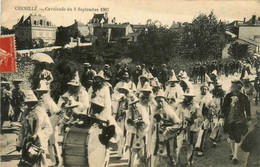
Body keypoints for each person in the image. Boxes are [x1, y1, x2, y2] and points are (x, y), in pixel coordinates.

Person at [17, 90, 53, 167]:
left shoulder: (41, 112)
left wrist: (38, 135)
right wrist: (19, 144)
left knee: (38, 162)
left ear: (35, 102)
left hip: (38, 143)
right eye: (28, 103)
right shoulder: (25, 113)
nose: (30, 105)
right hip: (27, 142)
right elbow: (22, 129)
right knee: (26, 163)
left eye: (31, 102)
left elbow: (49, 128)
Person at [148, 90, 181, 167]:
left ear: (165, 101)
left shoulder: (169, 111)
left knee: (168, 158)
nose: (160, 103)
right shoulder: (154, 112)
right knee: (155, 157)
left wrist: (169, 129)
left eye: (161, 101)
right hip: (156, 138)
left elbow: (178, 124)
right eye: (158, 101)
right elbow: (152, 127)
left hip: (167, 138)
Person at [222, 79, 251, 164]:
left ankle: (236, 156)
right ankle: (232, 152)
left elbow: (247, 109)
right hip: (230, 119)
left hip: (240, 120)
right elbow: (224, 107)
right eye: (233, 86)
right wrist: (230, 106)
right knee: (231, 136)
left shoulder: (244, 97)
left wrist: (248, 119)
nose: (234, 88)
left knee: (238, 136)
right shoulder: (228, 96)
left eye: (237, 87)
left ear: (239, 88)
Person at [36, 80, 62, 166]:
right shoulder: (38, 102)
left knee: (53, 143)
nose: (41, 95)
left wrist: (53, 124)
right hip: (43, 127)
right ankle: (51, 161)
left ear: (46, 93)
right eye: (39, 92)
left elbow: (57, 113)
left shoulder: (49, 102)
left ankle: (57, 162)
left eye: (42, 92)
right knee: (45, 144)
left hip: (52, 125)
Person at [176, 89, 202, 166]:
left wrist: (193, 120)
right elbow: (176, 117)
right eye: (187, 97)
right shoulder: (180, 106)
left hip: (192, 130)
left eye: (190, 97)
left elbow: (201, 118)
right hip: (182, 129)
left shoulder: (196, 107)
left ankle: (189, 162)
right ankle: (180, 163)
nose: (188, 99)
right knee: (180, 146)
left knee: (190, 147)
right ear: (185, 97)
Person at [125, 93, 150, 167]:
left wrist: (140, 125)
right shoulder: (129, 112)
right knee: (133, 154)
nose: (134, 105)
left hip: (142, 133)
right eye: (132, 104)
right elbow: (127, 124)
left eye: (135, 103)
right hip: (133, 133)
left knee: (142, 154)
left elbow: (146, 122)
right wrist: (133, 125)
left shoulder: (142, 109)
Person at [194, 83, 213, 156]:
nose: (204, 90)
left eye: (206, 89)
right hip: (198, 117)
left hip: (206, 116)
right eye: (203, 89)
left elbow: (212, 107)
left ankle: (200, 149)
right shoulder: (197, 97)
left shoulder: (210, 97)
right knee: (198, 132)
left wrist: (209, 114)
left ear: (208, 90)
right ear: (200, 89)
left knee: (203, 132)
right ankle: (196, 145)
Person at [209, 81, 226, 147]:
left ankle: (214, 137)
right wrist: (215, 111)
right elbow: (212, 105)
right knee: (216, 125)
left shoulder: (223, 97)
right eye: (217, 88)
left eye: (220, 87)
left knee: (220, 124)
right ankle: (214, 139)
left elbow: (225, 105)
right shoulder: (213, 97)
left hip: (222, 113)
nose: (219, 89)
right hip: (215, 113)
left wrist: (223, 112)